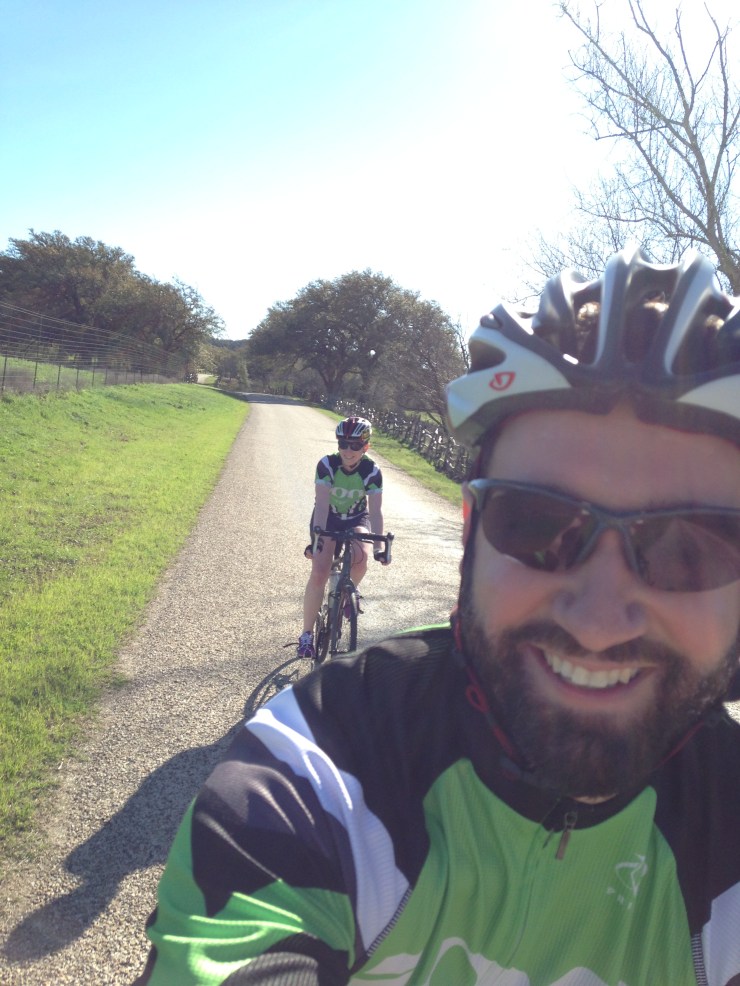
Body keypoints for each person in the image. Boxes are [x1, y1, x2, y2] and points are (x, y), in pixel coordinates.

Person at [135, 247, 740, 986]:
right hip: (332, 526)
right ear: (469, 530)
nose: (599, 621)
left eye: (689, 549)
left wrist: (374, 545)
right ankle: (310, 621)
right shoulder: (321, 772)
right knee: (326, 561)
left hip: (360, 529)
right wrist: (329, 536)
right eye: (535, 523)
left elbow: (376, 512)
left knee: (355, 560)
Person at [296, 415, 388, 660]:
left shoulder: (372, 471)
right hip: (328, 517)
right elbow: (322, 505)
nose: (348, 451)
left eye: (355, 445)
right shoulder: (327, 465)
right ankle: (306, 636)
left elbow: (376, 511)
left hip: (357, 517)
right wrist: (316, 540)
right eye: (343, 444)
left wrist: (380, 547)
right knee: (319, 572)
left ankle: (348, 593)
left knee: (362, 557)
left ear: (366, 446)